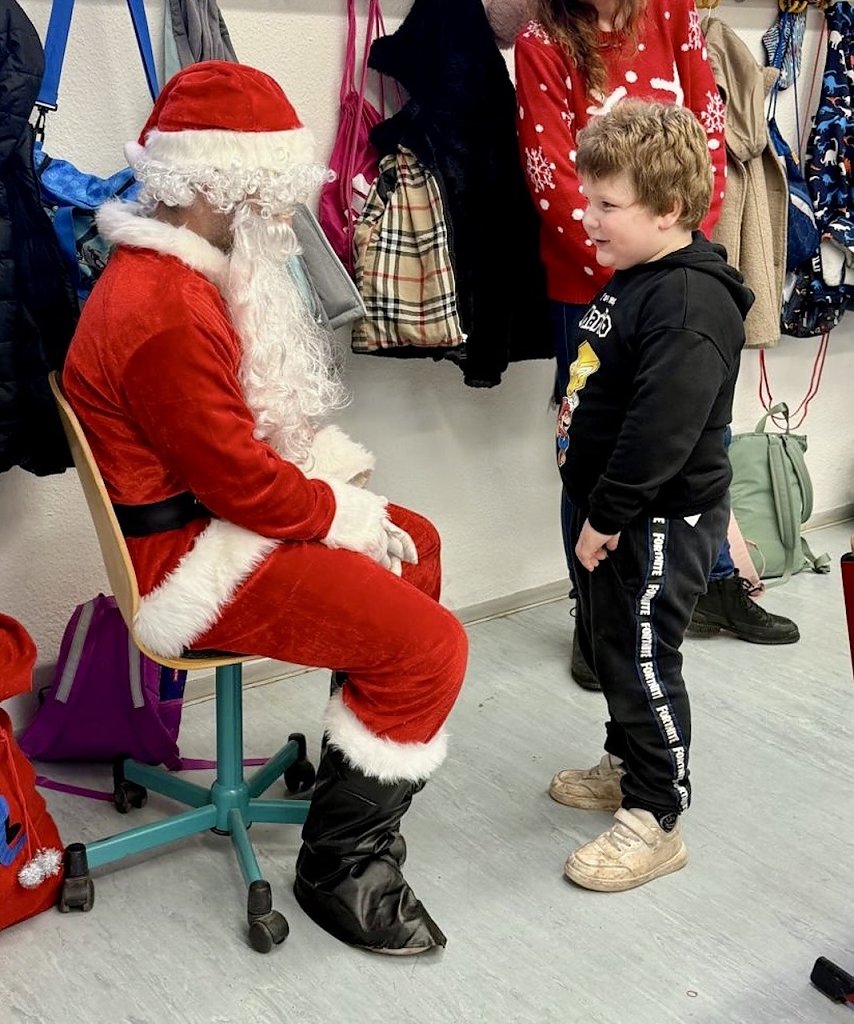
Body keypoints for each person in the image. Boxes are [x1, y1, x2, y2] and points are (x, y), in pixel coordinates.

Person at [62, 60, 468, 955]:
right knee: (432, 645)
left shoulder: (173, 275)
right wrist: (337, 511)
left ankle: (352, 769)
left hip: (208, 519)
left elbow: (230, 458)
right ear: (213, 183)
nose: (284, 217)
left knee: (418, 544)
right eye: (271, 193)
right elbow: (240, 485)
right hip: (192, 563)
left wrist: (334, 500)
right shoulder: (164, 310)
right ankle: (339, 868)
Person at [514, 0, 798, 693]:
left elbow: (705, 141)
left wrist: (675, 252)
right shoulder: (541, 39)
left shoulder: (674, 14)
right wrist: (631, 267)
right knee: (592, 443)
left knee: (697, 432)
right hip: (592, 281)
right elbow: (555, 181)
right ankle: (594, 612)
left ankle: (711, 582)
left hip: (672, 265)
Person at [548, 99, 753, 891]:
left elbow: (661, 430)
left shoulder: (690, 302)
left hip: (655, 518)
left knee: (642, 656)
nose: (587, 217)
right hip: (612, 510)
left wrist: (606, 516)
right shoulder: (638, 278)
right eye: (589, 199)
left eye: (608, 205)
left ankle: (656, 814)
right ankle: (627, 761)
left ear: (668, 208)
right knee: (609, 645)